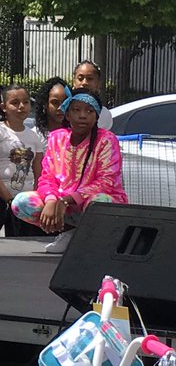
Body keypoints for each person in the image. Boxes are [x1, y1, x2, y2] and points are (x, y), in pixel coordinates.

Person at [12, 90, 127, 253]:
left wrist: (67, 200)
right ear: (67, 114)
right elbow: (47, 177)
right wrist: (51, 200)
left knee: (100, 202)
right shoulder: (56, 138)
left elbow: (106, 181)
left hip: (89, 202)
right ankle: (68, 233)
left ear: (96, 117)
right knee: (21, 203)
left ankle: (91, 238)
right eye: (76, 110)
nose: (82, 115)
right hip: (62, 205)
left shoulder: (106, 140)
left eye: (89, 111)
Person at [0, 86, 45, 237]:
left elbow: (38, 170)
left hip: (24, 203)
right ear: (3, 107)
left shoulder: (34, 136)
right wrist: (7, 198)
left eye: (25, 102)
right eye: (15, 102)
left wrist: (36, 197)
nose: (21, 106)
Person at [71, 61, 114, 130]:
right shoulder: (64, 109)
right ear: (74, 82)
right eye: (80, 78)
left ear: (98, 84)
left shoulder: (104, 115)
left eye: (90, 79)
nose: (84, 83)